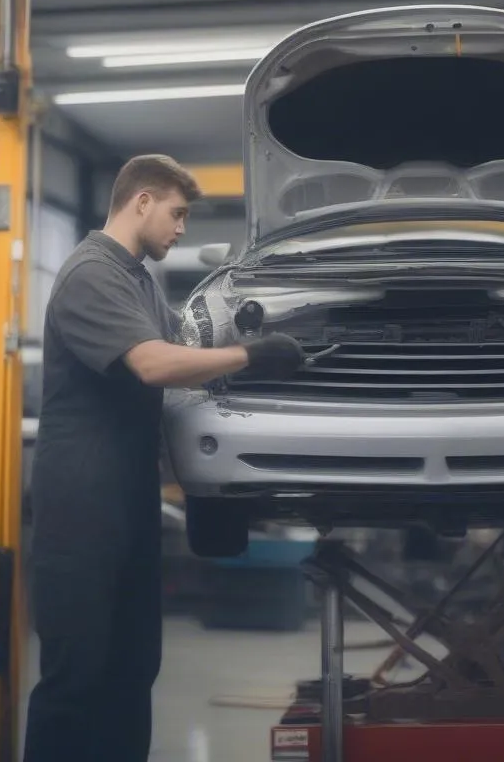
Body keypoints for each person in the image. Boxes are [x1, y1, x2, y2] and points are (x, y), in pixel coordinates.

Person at [23, 154, 304, 762]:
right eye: (176, 215)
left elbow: (189, 346)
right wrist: (254, 357)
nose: (180, 229)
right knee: (79, 673)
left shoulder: (141, 281)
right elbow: (154, 362)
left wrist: (263, 325)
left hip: (128, 495)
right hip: (80, 503)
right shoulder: (89, 274)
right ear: (141, 201)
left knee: (132, 667)